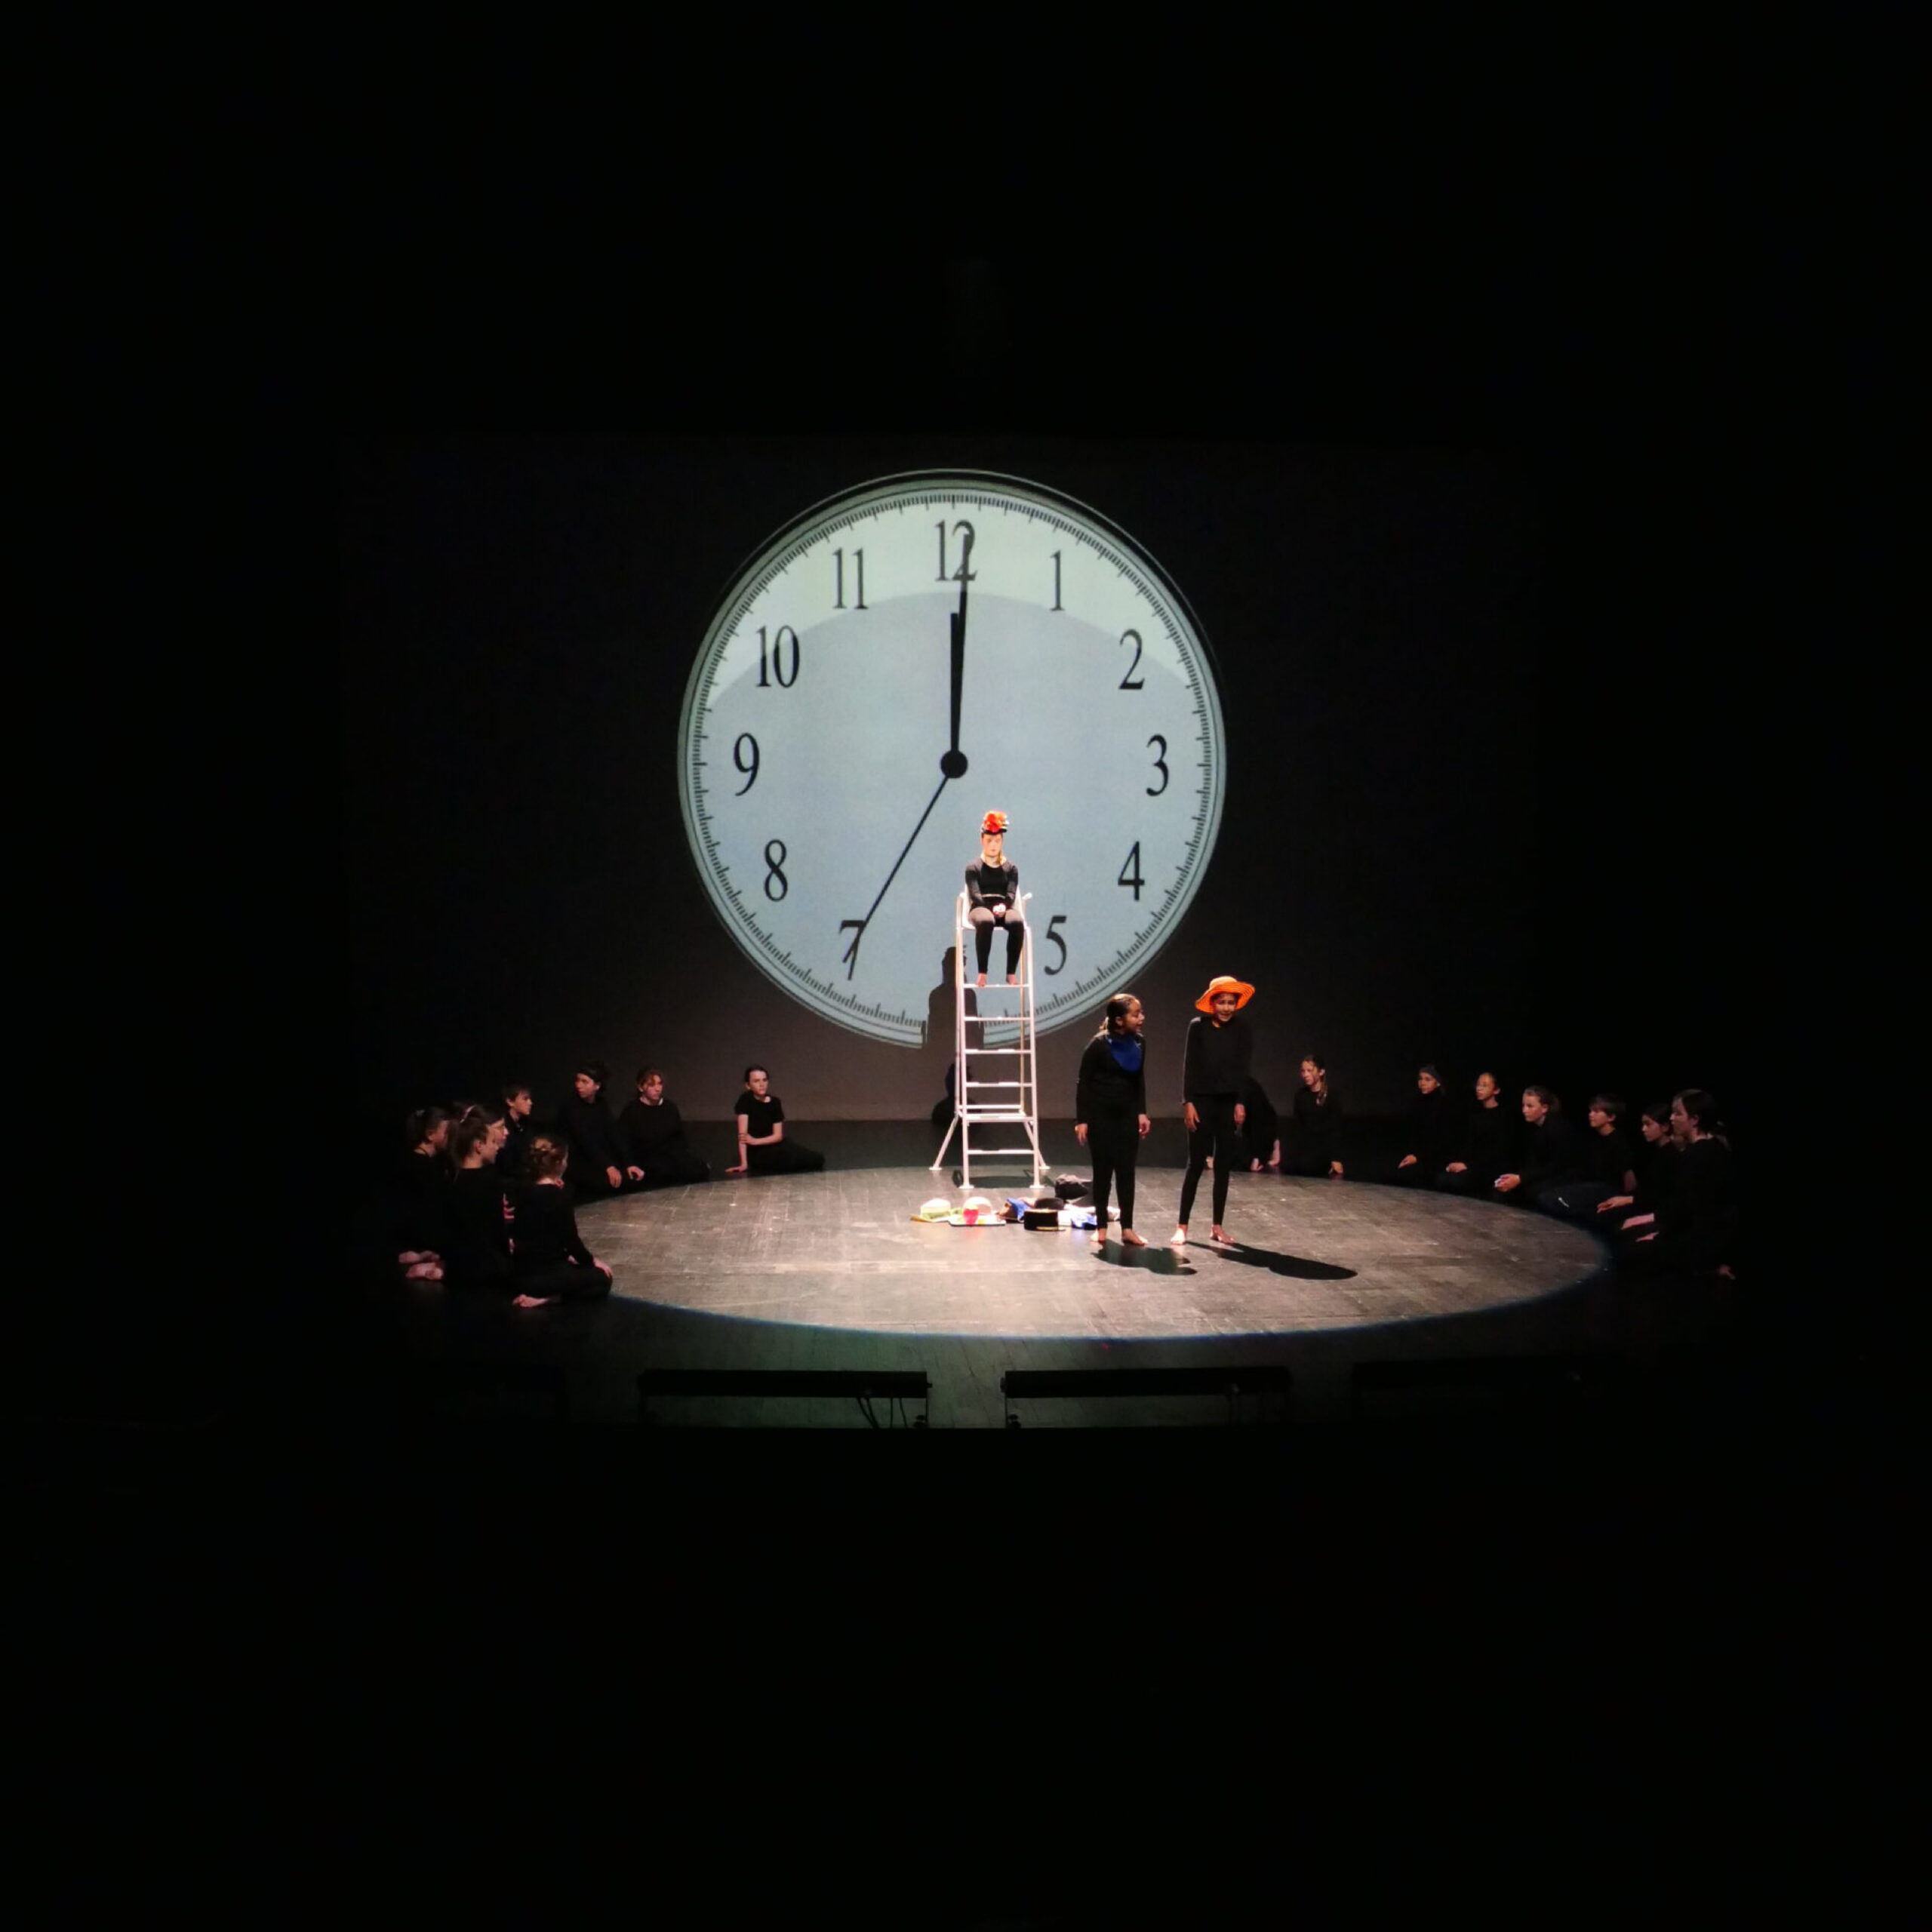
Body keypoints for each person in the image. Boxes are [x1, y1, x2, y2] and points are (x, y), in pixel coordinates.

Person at [1614, 1088, 1737, 1276]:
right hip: (1702, 1236)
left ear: (1694, 1120)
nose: (1672, 1118)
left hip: (1698, 1241)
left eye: (1678, 1114)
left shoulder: (1697, 1156)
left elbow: (1690, 1210)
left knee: (1625, 1253)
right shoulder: (1712, 1149)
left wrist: (1659, 1234)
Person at [1173, 975, 1254, 1247]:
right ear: (1212, 1003)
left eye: (1231, 1002)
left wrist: (1241, 1102)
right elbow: (1189, 1066)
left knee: (1223, 1166)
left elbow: (1243, 1069)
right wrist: (1188, 1102)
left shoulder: (1242, 1029)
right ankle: (1182, 1226)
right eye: (1222, 1002)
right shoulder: (1198, 1027)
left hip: (1228, 1104)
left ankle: (1217, 1226)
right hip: (1202, 1102)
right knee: (1196, 1163)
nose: (1227, 1008)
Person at [1075, 993, 1151, 1247]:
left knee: (1127, 1172)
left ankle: (1127, 1228)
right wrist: (1082, 1120)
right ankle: (1101, 1227)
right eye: (1136, 1014)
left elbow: (1139, 1080)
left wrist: (1141, 1112)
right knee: (1103, 1172)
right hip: (1101, 1117)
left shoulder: (1139, 1043)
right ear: (1119, 1020)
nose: (1141, 1018)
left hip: (1127, 1116)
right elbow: (1084, 1083)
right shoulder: (1099, 1045)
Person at [509, 1131, 614, 1306]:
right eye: (565, 1159)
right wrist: (592, 1262)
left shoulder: (524, 1191)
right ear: (558, 1163)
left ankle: (548, 1294)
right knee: (602, 1279)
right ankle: (549, 1297)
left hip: (522, 1274)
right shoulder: (558, 1197)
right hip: (546, 1276)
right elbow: (571, 1240)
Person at [442, 1109, 514, 1290]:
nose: (497, 1147)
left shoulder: (453, 1180)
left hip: (458, 1271)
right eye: (492, 1142)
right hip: (487, 1271)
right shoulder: (488, 1181)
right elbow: (497, 1231)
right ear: (479, 1146)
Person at [1539, 1094, 1638, 1219]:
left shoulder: (1619, 1143)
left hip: (1606, 1189)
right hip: (1591, 1185)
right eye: (1591, 1111)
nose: (1591, 1115)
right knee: (1546, 1194)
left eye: (1596, 1112)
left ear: (1611, 1117)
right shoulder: (1595, 1139)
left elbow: (1629, 1181)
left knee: (1553, 1200)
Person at [556, 1060, 645, 1198]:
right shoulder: (571, 1107)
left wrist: (629, 1163)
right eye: (578, 1080)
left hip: (600, 1158)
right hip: (579, 1159)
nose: (579, 1085)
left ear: (597, 1086)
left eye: (585, 1082)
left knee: (632, 1178)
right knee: (604, 1183)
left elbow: (614, 1134)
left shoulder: (601, 1104)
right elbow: (585, 1141)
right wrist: (608, 1166)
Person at [619, 1068, 712, 1186]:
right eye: (651, 1085)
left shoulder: (669, 1107)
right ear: (641, 1088)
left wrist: (685, 1157)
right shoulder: (632, 1110)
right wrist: (630, 1164)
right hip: (647, 1156)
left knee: (698, 1170)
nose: (657, 1089)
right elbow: (624, 1141)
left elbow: (679, 1137)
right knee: (661, 1173)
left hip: (670, 1155)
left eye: (660, 1084)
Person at [1494, 1086, 1586, 1203]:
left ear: (1544, 1108)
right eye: (1523, 1106)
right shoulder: (1534, 1128)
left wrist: (1521, 1178)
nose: (1524, 1110)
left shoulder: (1557, 1129)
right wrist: (1517, 1177)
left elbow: (1556, 1167)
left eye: (1530, 1106)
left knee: (1533, 1193)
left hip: (1564, 1178)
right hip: (1544, 1175)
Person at [728, 1066, 825, 1175]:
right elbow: (743, 1137)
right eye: (756, 1081)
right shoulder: (745, 1101)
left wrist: (755, 1141)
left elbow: (778, 1136)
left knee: (817, 1159)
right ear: (748, 1085)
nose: (762, 1084)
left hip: (774, 1144)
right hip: (758, 1152)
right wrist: (744, 1164)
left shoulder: (775, 1102)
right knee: (789, 1162)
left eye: (764, 1080)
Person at [964, 810, 1025, 988]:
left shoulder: (1011, 868)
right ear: (982, 840)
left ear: (1002, 841)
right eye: (989, 840)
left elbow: (1011, 893)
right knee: (986, 920)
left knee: (1017, 921)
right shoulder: (973, 867)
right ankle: (982, 972)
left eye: (997, 841)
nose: (993, 845)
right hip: (981, 907)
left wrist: (1004, 906)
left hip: (1003, 907)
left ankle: (1011, 973)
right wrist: (991, 909)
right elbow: (975, 894)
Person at [1433, 1071, 1516, 1196]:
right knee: (1442, 1177)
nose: (1479, 1088)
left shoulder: (1503, 1117)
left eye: (1485, 1085)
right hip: (1473, 1166)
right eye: (1478, 1085)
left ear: (1496, 1090)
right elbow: (1468, 1145)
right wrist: (1458, 1163)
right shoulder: (1475, 1115)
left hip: (1489, 1167)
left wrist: (1468, 1166)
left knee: (1452, 1181)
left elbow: (1497, 1151)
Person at [392, 1105, 451, 1281]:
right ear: (430, 1135)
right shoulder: (424, 1168)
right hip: (418, 1242)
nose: (451, 1137)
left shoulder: (425, 1163)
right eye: (447, 1132)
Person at [1391, 1065, 1457, 1186]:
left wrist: (1418, 1157)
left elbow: (1442, 1140)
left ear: (1438, 1083)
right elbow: (1410, 1133)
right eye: (1421, 1079)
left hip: (1434, 1158)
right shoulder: (1417, 1103)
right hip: (1416, 1155)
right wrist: (1410, 1154)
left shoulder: (1444, 1106)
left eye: (1428, 1079)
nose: (1422, 1083)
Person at [1282, 1054, 1346, 1178]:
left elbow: (1336, 1128)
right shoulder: (1301, 1095)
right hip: (1306, 1147)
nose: (1305, 1074)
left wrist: (1336, 1158)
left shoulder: (1332, 1096)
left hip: (1323, 1148)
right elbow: (1298, 1126)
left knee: (1310, 1166)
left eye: (1310, 1071)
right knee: (1289, 1165)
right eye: (1303, 1071)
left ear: (1321, 1072)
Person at [497, 1081, 537, 1186]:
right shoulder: (502, 1126)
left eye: (529, 1099)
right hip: (507, 1180)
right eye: (525, 1099)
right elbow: (506, 1162)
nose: (530, 1103)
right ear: (510, 1102)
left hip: (522, 1177)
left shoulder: (526, 1124)